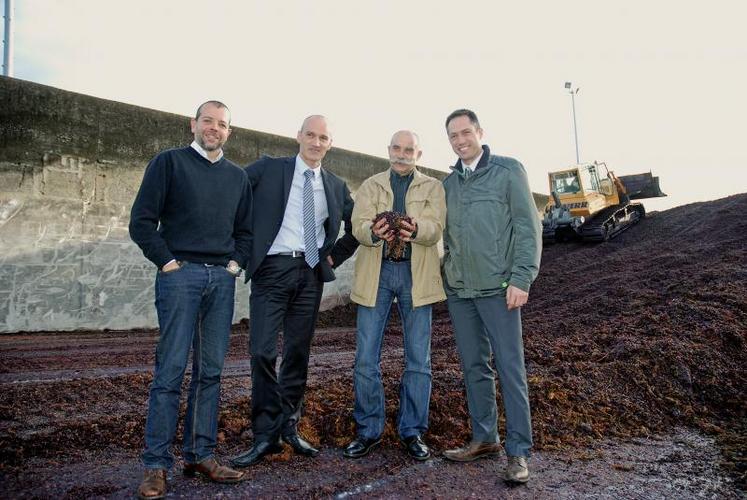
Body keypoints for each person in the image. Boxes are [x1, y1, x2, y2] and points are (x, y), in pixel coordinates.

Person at [129, 100, 250, 499]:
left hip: (222, 280)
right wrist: (166, 263)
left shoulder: (237, 177)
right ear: (193, 124)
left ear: (229, 131)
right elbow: (142, 222)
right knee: (170, 372)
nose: (214, 128)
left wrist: (235, 265)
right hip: (180, 277)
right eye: (208, 121)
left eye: (222, 124)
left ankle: (201, 455)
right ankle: (156, 466)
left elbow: (246, 232)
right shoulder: (168, 163)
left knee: (211, 371)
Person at [231, 115, 358, 468]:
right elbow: (233, 192)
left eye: (324, 138)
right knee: (262, 352)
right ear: (298, 136)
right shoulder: (269, 169)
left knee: (298, 354)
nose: (316, 142)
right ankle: (264, 435)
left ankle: (288, 426)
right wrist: (239, 246)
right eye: (311, 135)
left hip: (310, 273)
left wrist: (334, 256)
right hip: (271, 270)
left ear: (330, 143)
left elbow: (357, 226)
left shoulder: (335, 184)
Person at [440, 109, 541, 484]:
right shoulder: (449, 184)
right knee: (473, 367)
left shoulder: (508, 171)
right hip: (461, 292)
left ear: (479, 131)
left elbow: (528, 228)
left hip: (499, 289)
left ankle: (518, 452)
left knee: (510, 369)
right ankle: (484, 439)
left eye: (466, 132)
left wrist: (521, 278)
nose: (460, 140)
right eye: (453, 135)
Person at [343, 131, 446, 461]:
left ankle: (412, 430)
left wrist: (416, 230)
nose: (402, 154)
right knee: (365, 356)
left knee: (419, 357)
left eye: (409, 150)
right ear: (389, 151)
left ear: (419, 153)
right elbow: (357, 225)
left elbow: (436, 228)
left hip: (416, 274)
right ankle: (369, 430)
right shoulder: (371, 185)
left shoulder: (433, 187)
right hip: (378, 272)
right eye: (397, 149)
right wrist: (373, 231)